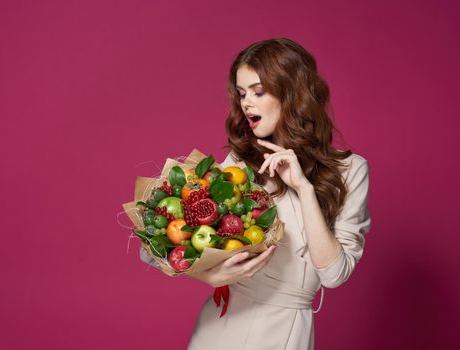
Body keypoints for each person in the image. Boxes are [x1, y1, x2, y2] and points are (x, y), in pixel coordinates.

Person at [140, 37, 371, 350]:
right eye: (242, 93)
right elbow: (154, 247)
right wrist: (206, 277)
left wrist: (303, 187)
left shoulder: (351, 170)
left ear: (292, 94)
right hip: (221, 324)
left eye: (258, 91)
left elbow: (333, 274)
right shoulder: (240, 163)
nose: (246, 103)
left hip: (284, 331)